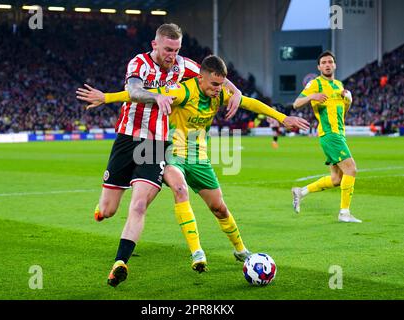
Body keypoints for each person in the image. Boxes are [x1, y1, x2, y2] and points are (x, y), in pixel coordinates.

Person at [78, 55, 310, 275]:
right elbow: (142, 92)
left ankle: (241, 250)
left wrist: (282, 118)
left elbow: (252, 104)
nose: (218, 89)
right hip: (171, 153)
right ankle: (197, 253)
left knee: (219, 207)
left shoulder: (219, 94)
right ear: (200, 77)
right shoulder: (182, 91)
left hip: (199, 158)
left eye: (221, 84)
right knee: (180, 189)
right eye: (214, 84)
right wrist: (106, 97)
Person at [76, 23, 243, 287]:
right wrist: (157, 97)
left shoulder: (182, 65)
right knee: (108, 210)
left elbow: (213, 73)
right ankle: (102, 208)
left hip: (155, 144)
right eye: (167, 49)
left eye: (176, 50)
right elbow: (133, 91)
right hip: (127, 139)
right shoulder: (139, 63)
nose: (172, 55)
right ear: (155, 45)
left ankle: (120, 263)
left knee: (140, 204)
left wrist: (237, 92)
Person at [291, 50, 362, 223]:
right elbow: (296, 104)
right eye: (323, 63)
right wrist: (312, 96)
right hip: (329, 135)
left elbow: (343, 114)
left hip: (339, 133)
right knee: (351, 169)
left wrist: (349, 102)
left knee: (337, 179)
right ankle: (344, 213)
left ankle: (301, 192)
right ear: (319, 67)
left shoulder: (338, 85)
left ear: (335, 65)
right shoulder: (315, 84)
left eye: (330, 62)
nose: (327, 65)